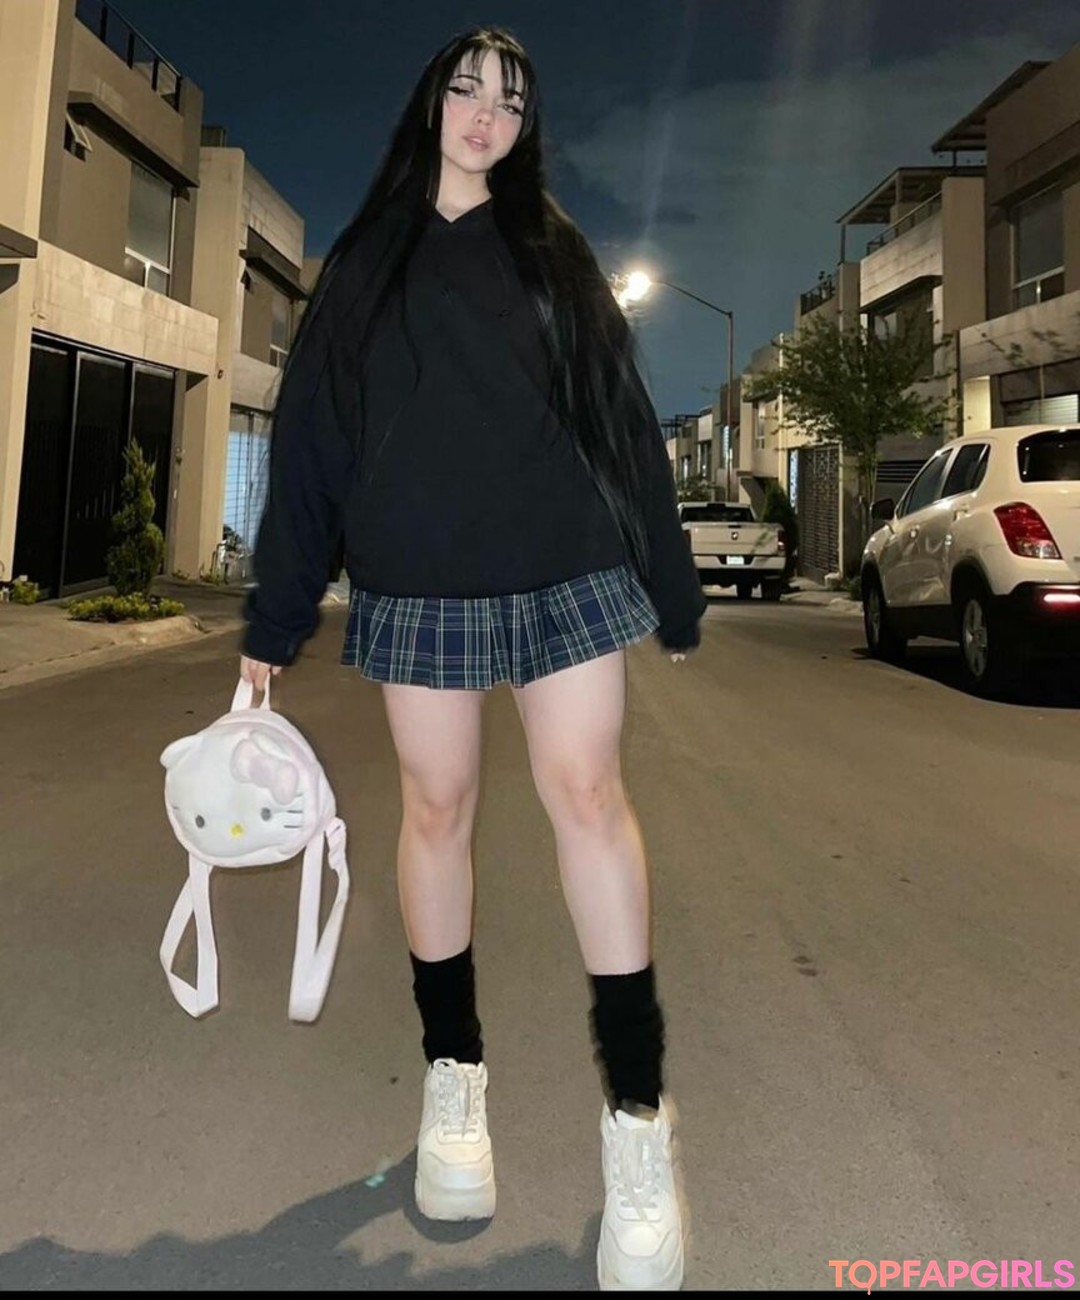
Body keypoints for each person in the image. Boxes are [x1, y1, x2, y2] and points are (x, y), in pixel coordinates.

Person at [240, 25, 705, 1292]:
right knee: (436, 809)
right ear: (430, 104)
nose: (486, 113)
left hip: (566, 567)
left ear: (525, 124)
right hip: (421, 578)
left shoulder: (553, 249)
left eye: (510, 98)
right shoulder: (368, 261)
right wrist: (274, 624)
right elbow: (313, 443)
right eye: (465, 89)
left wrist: (670, 580)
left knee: (588, 796)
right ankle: (454, 1083)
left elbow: (622, 417)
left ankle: (638, 1123)